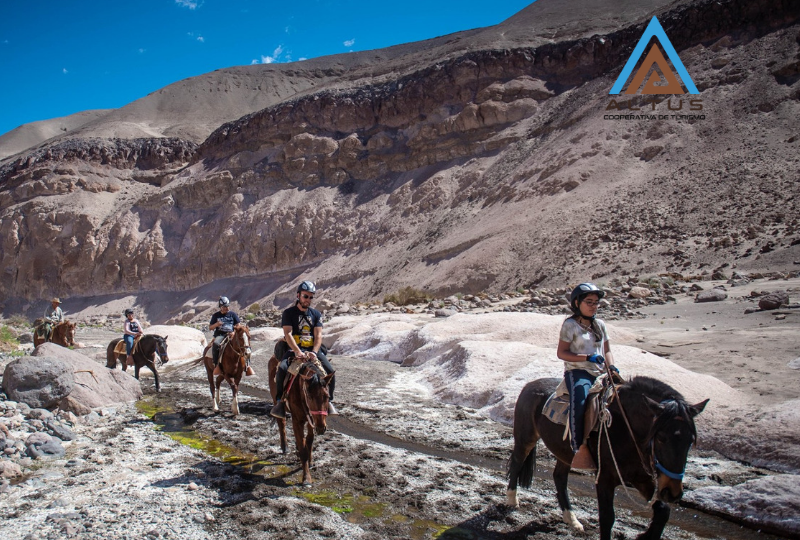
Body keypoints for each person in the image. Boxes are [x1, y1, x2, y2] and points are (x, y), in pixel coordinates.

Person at [556, 282, 620, 471]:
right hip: (578, 371)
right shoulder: (570, 325)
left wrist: (612, 367)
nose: (594, 306)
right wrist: (587, 357)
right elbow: (562, 353)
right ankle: (579, 446)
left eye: (596, 302)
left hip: (600, 372)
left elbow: (607, 350)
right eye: (589, 302)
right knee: (581, 398)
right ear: (577, 303)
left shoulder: (599, 325)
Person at [271, 281, 337, 418]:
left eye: (311, 297)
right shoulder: (288, 313)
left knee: (330, 371)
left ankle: (329, 401)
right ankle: (280, 402)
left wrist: (314, 352)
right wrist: (296, 351)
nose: (308, 300)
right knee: (282, 369)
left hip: (312, 350)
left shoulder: (316, 314)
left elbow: (318, 335)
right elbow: (288, 334)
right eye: (305, 296)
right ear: (298, 295)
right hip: (294, 350)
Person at [209, 296, 255, 377]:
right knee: (216, 344)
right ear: (220, 307)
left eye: (227, 306)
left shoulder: (233, 314)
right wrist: (217, 324)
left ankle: (247, 366)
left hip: (232, 334)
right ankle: (217, 365)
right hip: (220, 335)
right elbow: (210, 327)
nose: (227, 308)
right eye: (224, 307)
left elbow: (238, 325)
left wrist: (234, 332)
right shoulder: (216, 316)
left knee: (245, 346)